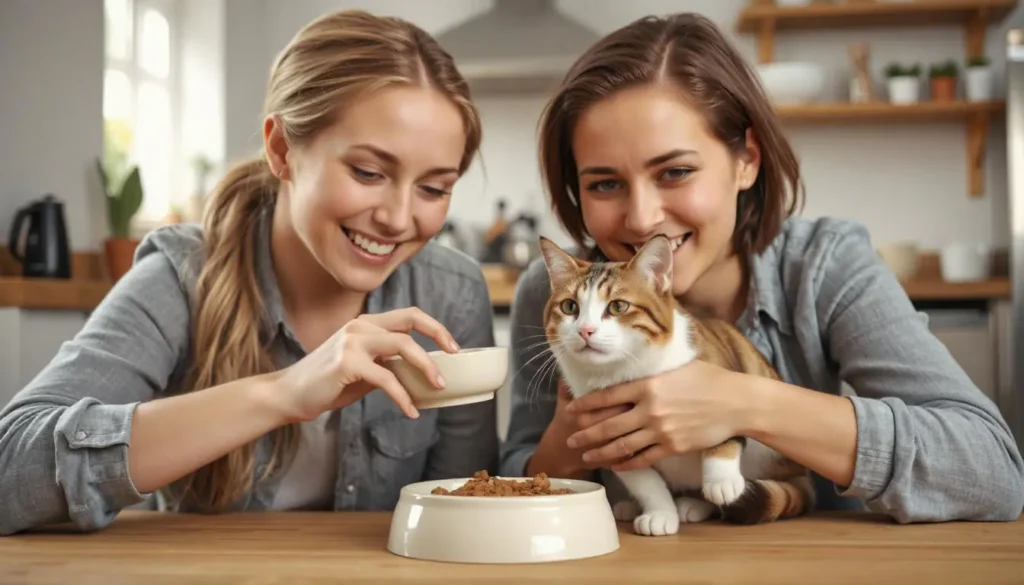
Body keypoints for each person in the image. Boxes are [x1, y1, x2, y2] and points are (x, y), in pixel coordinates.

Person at [500, 12, 1024, 523]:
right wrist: (568, 440)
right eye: (604, 183)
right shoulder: (556, 295)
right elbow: (514, 476)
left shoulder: (822, 266)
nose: (642, 218)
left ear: (746, 160)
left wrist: (745, 401)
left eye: (676, 171)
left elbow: (993, 473)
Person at [0, 9, 498, 536]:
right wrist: (280, 394)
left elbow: (464, 516)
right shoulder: (185, 275)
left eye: (434, 188)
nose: (399, 218)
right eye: (368, 172)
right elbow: (10, 469)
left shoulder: (453, 295)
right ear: (282, 149)